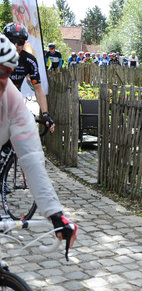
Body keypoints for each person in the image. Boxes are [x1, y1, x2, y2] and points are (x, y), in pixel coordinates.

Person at [0, 33, 77, 249]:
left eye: (6, 74)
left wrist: (56, 216)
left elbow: (32, 159)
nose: (2, 82)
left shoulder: (11, 99)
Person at [3, 23, 55, 133]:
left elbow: (38, 88)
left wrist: (45, 114)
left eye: (20, 41)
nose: (16, 45)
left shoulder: (29, 61)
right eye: (12, 40)